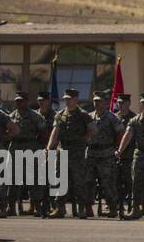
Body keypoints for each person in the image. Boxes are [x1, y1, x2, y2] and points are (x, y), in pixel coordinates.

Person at [47, 89, 93, 218]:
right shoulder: (59, 115)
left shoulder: (83, 115)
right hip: (63, 151)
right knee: (60, 180)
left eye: (70, 99)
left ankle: (81, 209)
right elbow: (55, 132)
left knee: (79, 181)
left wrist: (84, 139)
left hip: (77, 153)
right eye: (66, 99)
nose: (67, 101)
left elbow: (93, 129)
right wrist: (49, 148)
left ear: (76, 99)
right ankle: (60, 208)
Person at [86, 93, 125, 219]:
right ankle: (88, 207)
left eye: (99, 101)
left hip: (106, 154)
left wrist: (116, 148)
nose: (96, 103)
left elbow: (121, 133)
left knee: (107, 183)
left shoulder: (111, 118)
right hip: (91, 153)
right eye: (95, 101)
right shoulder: (89, 116)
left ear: (106, 103)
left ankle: (112, 208)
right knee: (88, 181)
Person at [7, 92, 46, 216]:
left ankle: (36, 207)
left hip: (30, 148)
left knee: (33, 179)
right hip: (15, 148)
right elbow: (7, 132)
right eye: (17, 100)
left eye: (21, 100)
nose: (19, 103)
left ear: (27, 101)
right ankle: (11, 207)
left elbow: (43, 133)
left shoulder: (35, 116)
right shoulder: (11, 116)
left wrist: (39, 147)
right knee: (12, 179)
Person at [113, 94, 136, 215]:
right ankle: (115, 203)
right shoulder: (114, 117)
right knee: (115, 180)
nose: (121, 105)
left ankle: (131, 204)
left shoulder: (134, 118)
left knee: (129, 181)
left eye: (124, 103)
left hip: (130, 155)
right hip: (116, 155)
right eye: (119, 103)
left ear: (129, 103)